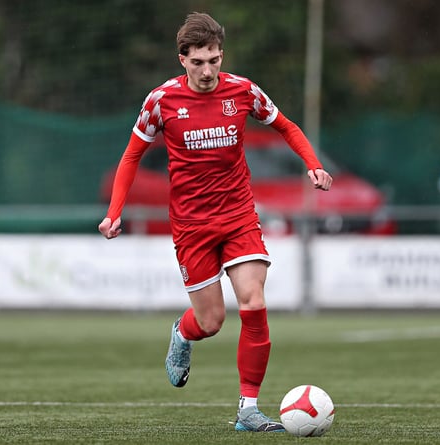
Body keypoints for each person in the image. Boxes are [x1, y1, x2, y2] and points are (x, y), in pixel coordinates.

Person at [98, 12, 332, 432]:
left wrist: (312, 165)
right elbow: (132, 155)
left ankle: (248, 409)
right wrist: (114, 212)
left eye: (215, 60)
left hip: (238, 215)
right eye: (199, 62)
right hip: (191, 226)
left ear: (221, 56)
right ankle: (182, 334)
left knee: (253, 303)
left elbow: (286, 126)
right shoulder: (161, 102)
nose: (208, 71)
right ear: (182, 60)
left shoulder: (243, 91)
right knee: (211, 322)